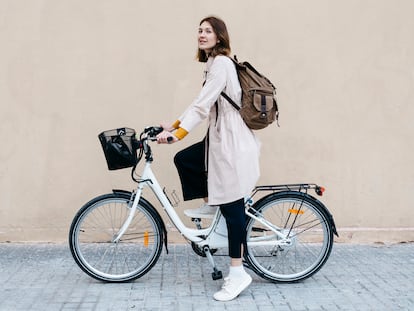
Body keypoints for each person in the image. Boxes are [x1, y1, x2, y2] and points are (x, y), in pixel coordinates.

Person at [156, 16, 260, 302]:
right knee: (186, 160)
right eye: (199, 31)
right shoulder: (213, 64)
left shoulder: (223, 64)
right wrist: (174, 124)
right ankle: (213, 207)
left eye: (208, 31)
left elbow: (202, 107)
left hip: (231, 142)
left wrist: (178, 134)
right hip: (219, 137)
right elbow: (199, 102)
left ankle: (237, 273)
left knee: (233, 206)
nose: (201, 35)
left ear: (219, 36)